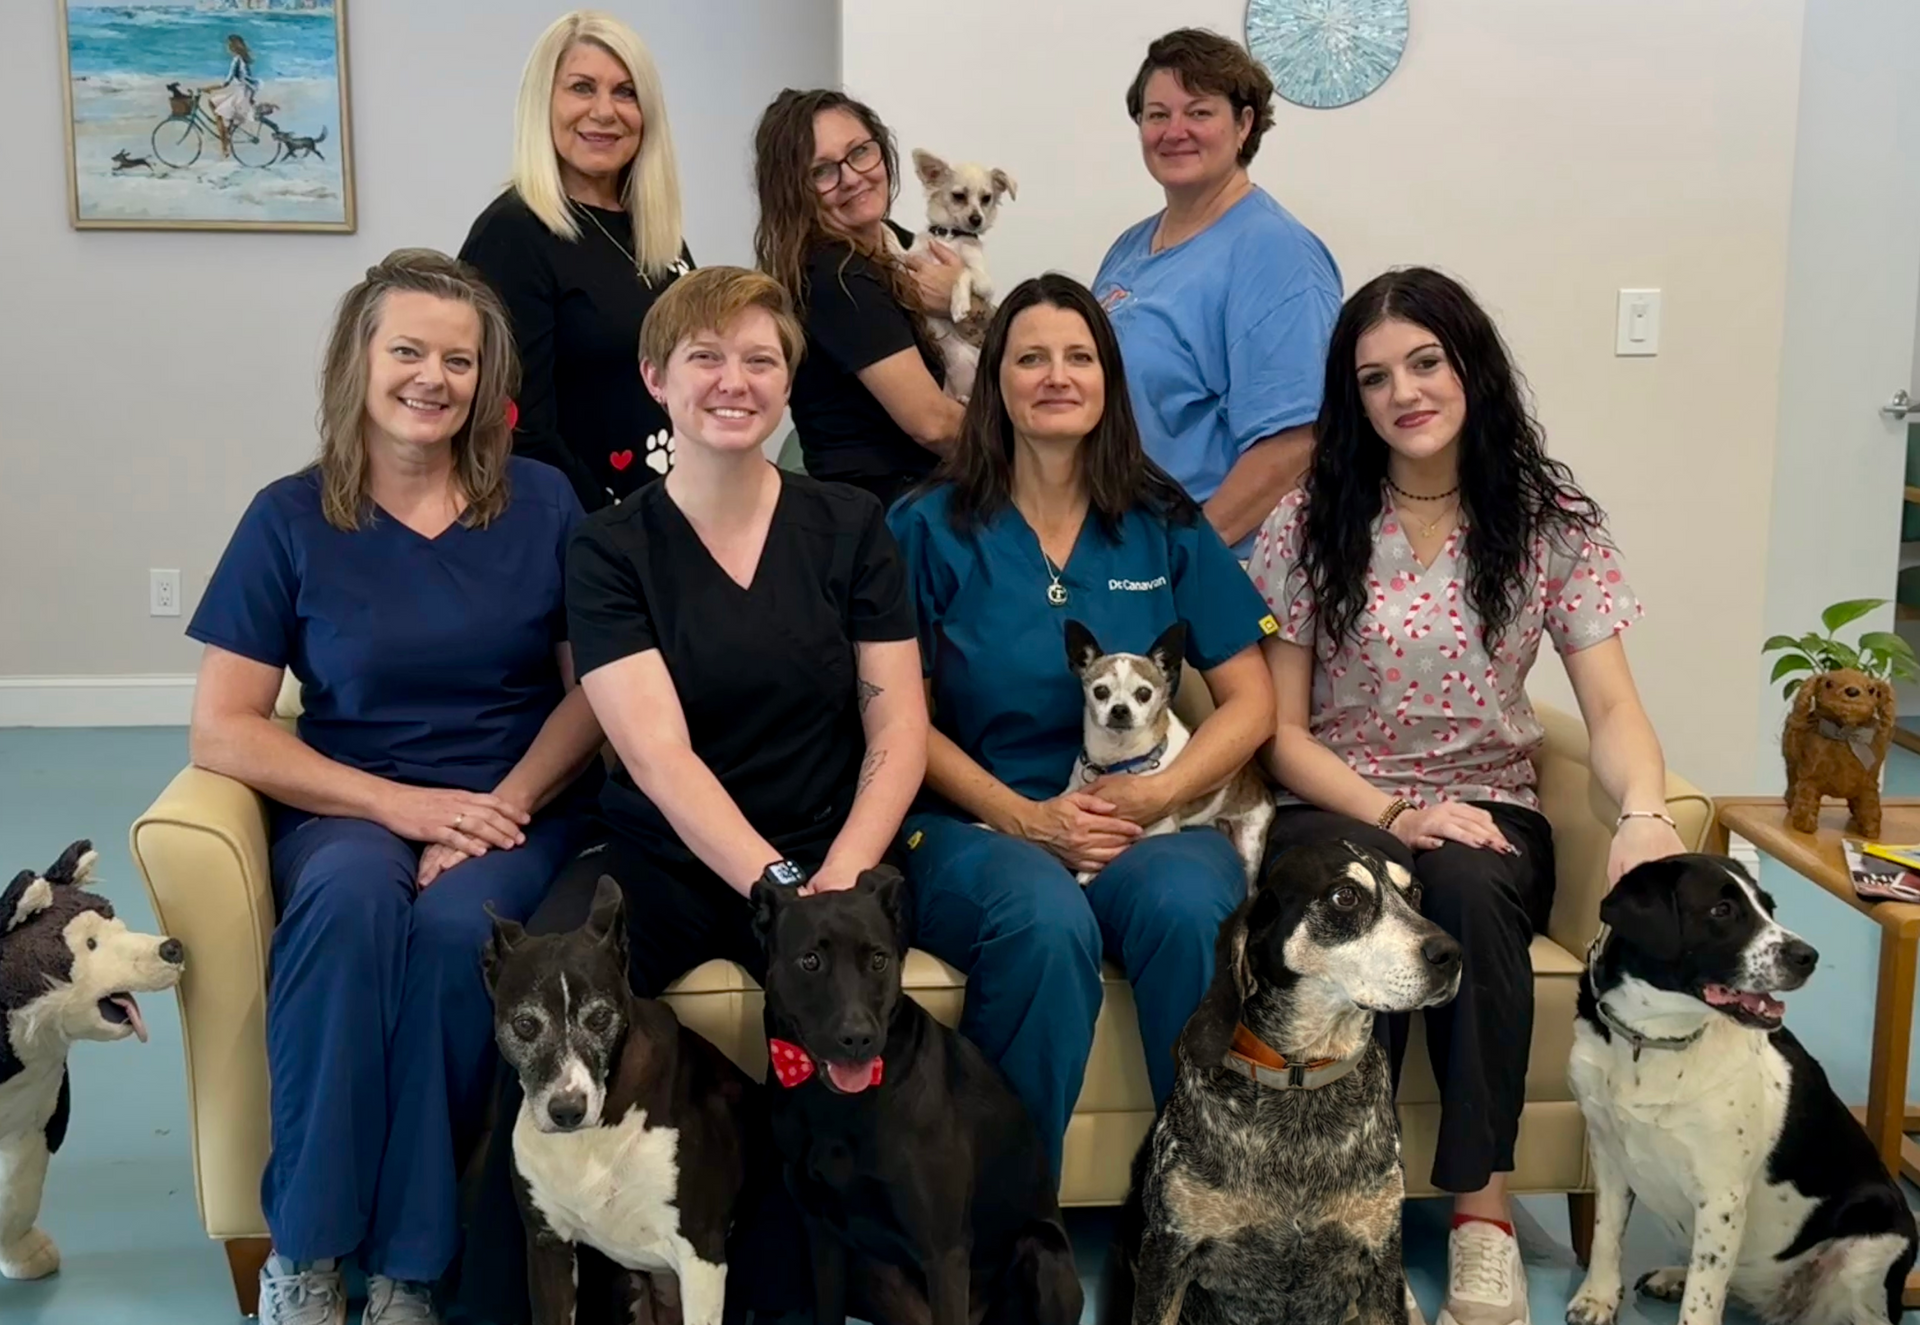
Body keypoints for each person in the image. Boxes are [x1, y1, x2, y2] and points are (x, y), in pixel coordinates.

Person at [457, 266, 927, 1325]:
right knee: (532, 995)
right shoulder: (611, 543)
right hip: (669, 857)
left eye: (761, 359)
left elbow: (898, 722)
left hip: (833, 844)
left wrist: (840, 874)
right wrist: (776, 882)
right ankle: (499, 1298)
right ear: (655, 375)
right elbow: (658, 754)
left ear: (789, 382)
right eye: (706, 357)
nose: (734, 380)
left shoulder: (851, 524)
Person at [1252, 266, 1686, 1325]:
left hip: (1489, 803)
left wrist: (1646, 809)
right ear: (1351, 400)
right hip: (1344, 803)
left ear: (1470, 363)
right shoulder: (1311, 519)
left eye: (1424, 361)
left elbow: (1614, 708)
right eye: (1373, 377)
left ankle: (1483, 1218)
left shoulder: (1548, 519)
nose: (1403, 390)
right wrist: (1393, 812)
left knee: (1469, 877)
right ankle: (1359, 1217)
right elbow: (1281, 731)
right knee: (1381, 887)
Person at [185, 249, 604, 1325]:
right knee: (348, 906)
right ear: (358, 362)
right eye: (407, 350)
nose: (433, 377)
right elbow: (223, 726)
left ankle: (414, 1266)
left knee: (467, 929)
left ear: (485, 377)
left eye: (458, 359)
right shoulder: (288, 516)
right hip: (352, 799)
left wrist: (495, 807)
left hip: (513, 801)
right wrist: (396, 807)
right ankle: (309, 1253)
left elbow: (591, 698)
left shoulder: (543, 503)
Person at [888, 272, 1277, 1176]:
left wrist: (1154, 796)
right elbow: (892, 717)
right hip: (978, 820)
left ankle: (1201, 1207)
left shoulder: (1164, 520)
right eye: (1029, 357)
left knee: (1186, 906)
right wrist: (1031, 821)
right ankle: (1007, 1230)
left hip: (1149, 818)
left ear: (1108, 379)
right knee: (1044, 920)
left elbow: (1252, 700)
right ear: (996, 384)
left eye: (1078, 356)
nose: (1055, 375)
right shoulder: (925, 526)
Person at [1093, 27, 1342, 556]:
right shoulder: (1130, 248)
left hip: (1222, 566)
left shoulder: (1274, 253)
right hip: (1131, 549)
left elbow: (1293, 444)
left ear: (1244, 124)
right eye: (1157, 114)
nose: (1174, 130)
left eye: (1199, 112)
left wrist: (1188, 561)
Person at [461, 10, 692, 512]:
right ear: (543, 102)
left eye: (626, 92)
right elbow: (519, 428)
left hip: (676, 516)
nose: (605, 111)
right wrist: (614, 533)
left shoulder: (654, 231)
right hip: (583, 532)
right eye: (582, 88)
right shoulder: (512, 235)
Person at [753, 88, 968, 506]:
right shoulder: (833, 276)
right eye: (822, 171)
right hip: (884, 519)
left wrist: (965, 304)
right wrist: (1035, 464)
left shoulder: (902, 247)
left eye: (860, 152)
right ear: (794, 191)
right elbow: (932, 424)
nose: (852, 176)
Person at [202, 33, 259, 159]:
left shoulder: (237, 60)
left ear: (232, 47)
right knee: (214, 104)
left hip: (240, 95)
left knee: (218, 112)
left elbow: (226, 83)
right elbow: (250, 80)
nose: (227, 48)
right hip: (244, 93)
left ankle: (225, 146)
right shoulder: (244, 59)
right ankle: (226, 131)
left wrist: (208, 88)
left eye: (228, 45)